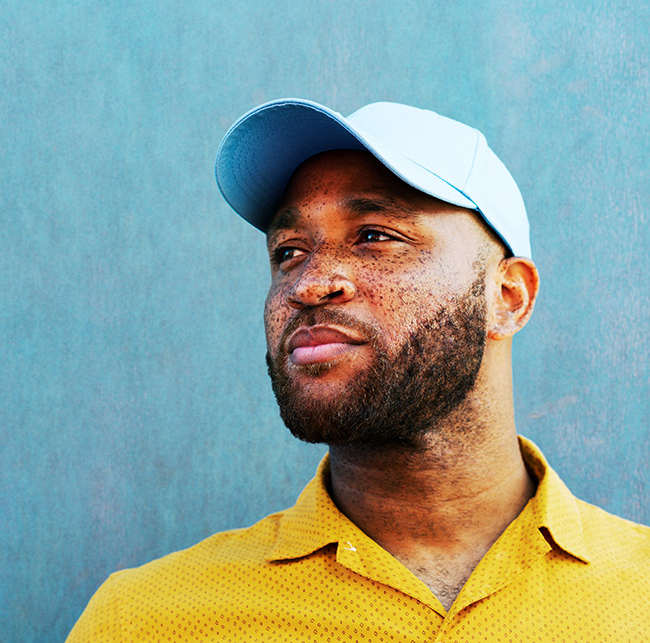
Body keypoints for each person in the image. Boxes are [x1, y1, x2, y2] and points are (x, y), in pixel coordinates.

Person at [66, 99, 650, 642]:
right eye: (288, 251)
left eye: (374, 236)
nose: (309, 284)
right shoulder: (146, 619)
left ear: (507, 297)